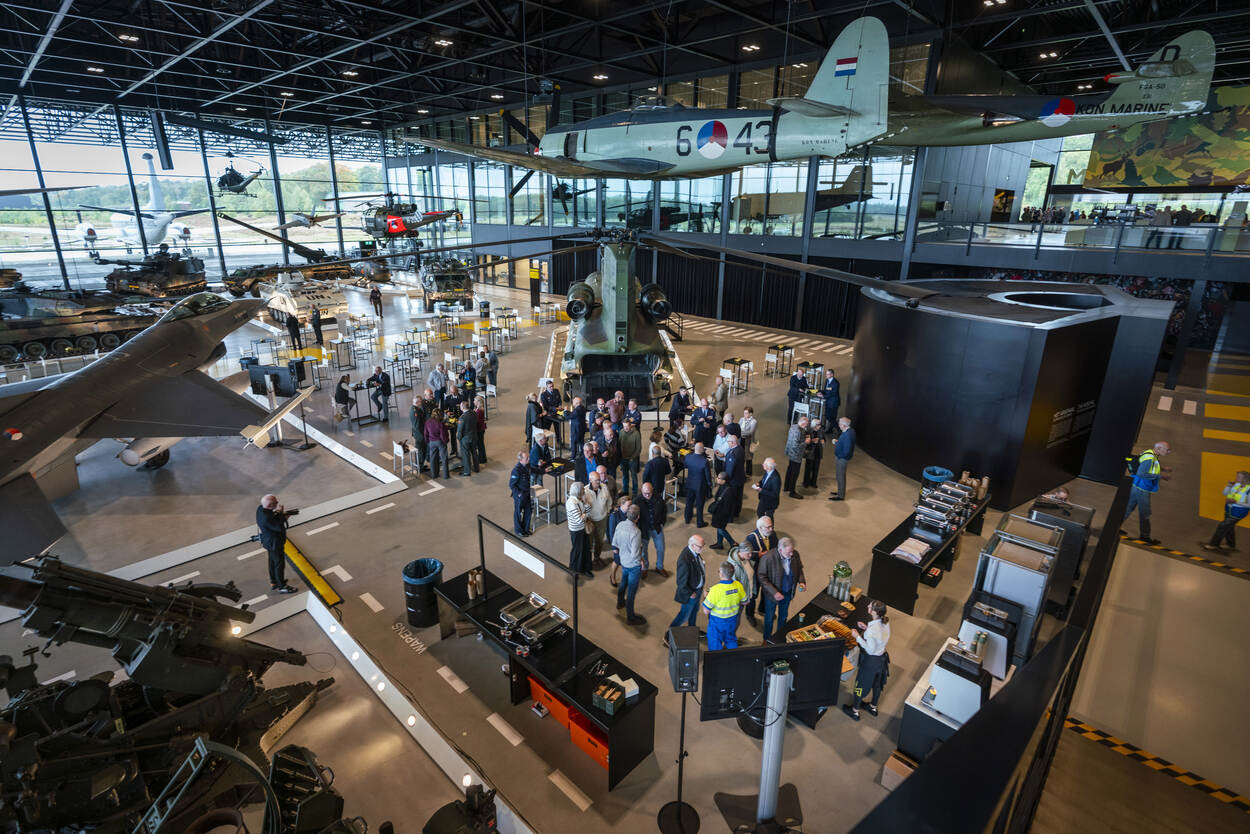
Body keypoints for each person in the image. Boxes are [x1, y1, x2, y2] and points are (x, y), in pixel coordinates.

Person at [843, 600, 891, 721]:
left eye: (870, 606)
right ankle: (873, 707)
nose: (867, 606)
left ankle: (855, 711)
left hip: (870, 661)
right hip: (882, 658)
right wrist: (866, 627)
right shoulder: (885, 622)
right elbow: (878, 637)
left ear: (874, 612)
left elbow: (869, 649)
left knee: (861, 684)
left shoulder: (871, 631)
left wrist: (857, 637)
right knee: (877, 684)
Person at [1122, 440, 1171, 544]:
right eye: (1167, 450)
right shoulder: (1150, 458)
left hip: (1136, 486)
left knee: (1128, 508)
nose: (1168, 452)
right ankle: (1145, 536)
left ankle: (1114, 527)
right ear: (1158, 448)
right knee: (1145, 513)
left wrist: (1163, 469)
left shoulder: (1150, 453)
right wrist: (1161, 476)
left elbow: (1151, 465)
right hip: (1142, 489)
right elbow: (1141, 473)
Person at [758, 537, 806, 642]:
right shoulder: (768, 558)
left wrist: (801, 581)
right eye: (789, 552)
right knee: (769, 619)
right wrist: (774, 592)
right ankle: (766, 639)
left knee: (783, 617)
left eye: (792, 551)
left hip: (788, 593)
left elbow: (799, 569)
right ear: (780, 550)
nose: (792, 554)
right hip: (772, 595)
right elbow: (761, 576)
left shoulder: (795, 554)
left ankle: (779, 637)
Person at [612, 506, 647, 626]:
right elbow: (635, 554)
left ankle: (620, 602)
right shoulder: (636, 532)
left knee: (623, 583)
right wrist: (642, 561)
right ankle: (630, 617)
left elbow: (615, 542)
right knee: (631, 591)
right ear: (638, 517)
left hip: (623, 561)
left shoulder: (620, 525)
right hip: (633, 565)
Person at [256, 494, 296, 594]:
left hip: (268, 542)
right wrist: (284, 516)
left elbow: (272, 518)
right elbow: (278, 527)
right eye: (275, 503)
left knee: (272, 562)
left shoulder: (260, 509)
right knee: (279, 564)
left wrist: (278, 512)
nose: (278, 503)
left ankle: (274, 582)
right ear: (269, 505)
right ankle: (282, 586)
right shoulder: (266, 518)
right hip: (275, 543)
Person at [703, 561, 747, 650]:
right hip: (732, 620)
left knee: (715, 643)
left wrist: (706, 596)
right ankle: (732, 659)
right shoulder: (738, 585)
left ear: (721, 574)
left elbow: (706, 610)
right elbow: (745, 602)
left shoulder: (715, 590)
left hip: (717, 623)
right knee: (730, 640)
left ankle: (716, 662)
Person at [741, 516, 776, 627]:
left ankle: (762, 609)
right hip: (755, 572)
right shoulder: (751, 538)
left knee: (766, 590)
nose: (771, 529)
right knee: (753, 594)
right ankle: (749, 614)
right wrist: (759, 554)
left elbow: (776, 547)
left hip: (767, 570)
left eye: (772, 526)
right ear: (760, 528)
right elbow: (745, 554)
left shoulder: (772, 534)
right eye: (768, 527)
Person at [669, 534, 707, 637]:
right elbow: (680, 582)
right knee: (684, 615)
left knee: (694, 611)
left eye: (703, 546)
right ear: (692, 545)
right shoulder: (684, 559)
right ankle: (668, 636)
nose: (702, 549)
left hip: (697, 589)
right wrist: (690, 593)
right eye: (700, 547)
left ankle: (692, 630)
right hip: (691, 593)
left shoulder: (695, 552)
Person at [1204, 471, 1250, 552]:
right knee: (1229, 527)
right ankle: (1230, 544)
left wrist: (1236, 502)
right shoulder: (1237, 485)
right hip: (1229, 509)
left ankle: (1214, 544)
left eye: (1239, 477)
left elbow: (1249, 505)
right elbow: (1225, 493)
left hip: (1238, 512)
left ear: (1245, 479)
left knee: (1222, 526)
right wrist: (1228, 486)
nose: (1236, 478)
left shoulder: (1249, 490)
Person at [635, 480, 669, 577]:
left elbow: (664, 511)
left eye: (649, 493)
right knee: (643, 550)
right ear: (641, 491)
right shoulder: (637, 501)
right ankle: (644, 567)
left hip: (656, 527)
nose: (647, 495)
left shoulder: (658, 498)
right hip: (643, 529)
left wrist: (662, 522)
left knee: (661, 547)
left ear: (652, 490)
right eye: (645, 493)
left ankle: (659, 567)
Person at [585, 471, 612, 567]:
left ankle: (597, 558)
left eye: (599, 480)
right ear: (590, 480)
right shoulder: (585, 492)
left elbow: (609, 500)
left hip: (602, 519)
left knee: (600, 541)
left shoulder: (604, 487)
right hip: (590, 521)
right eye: (596, 480)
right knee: (589, 542)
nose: (598, 482)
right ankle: (587, 561)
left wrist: (607, 511)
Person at [684, 441, 713, 527]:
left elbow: (686, 466)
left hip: (690, 483)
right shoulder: (704, 461)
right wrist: (709, 484)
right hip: (700, 486)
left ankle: (687, 518)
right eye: (703, 448)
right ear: (701, 450)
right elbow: (708, 476)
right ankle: (699, 522)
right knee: (700, 504)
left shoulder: (688, 457)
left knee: (689, 502)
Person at [566, 481, 591, 577]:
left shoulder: (579, 499)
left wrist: (585, 503)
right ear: (578, 492)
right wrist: (585, 514)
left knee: (586, 549)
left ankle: (586, 569)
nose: (584, 491)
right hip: (576, 531)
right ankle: (574, 571)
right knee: (577, 551)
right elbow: (579, 520)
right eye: (583, 490)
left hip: (583, 528)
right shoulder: (571, 503)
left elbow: (589, 508)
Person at [709, 472, 737, 551]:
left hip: (722, 515)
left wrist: (722, 516)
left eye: (718, 478)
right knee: (719, 528)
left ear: (724, 480)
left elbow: (727, 507)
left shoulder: (728, 491)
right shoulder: (722, 486)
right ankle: (719, 543)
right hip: (719, 513)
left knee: (721, 529)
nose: (717, 479)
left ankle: (733, 543)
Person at [830, 417, 856, 501]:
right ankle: (840, 491)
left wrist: (839, 456)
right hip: (842, 458)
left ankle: (840, 496)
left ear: (844, 425)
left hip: (842, 459)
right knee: (840, 476)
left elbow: (847, 451)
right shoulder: (850, 431)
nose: (839, 425)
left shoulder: (847, 435)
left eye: (840, 424)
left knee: (840, 476)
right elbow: (844, 444)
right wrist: (838, 442)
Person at [783, 417, 808, 499]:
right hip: (796, 455)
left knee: (790, 470)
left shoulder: (793, 426)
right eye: (806, 425)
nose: (806, 426)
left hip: (790, 452)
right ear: (803, 424)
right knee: (794, 473)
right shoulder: (798, 431)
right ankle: (792, 492)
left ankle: (786, 487)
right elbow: (796, 445)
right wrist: (805, 442)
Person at [510, 451, 534, 536]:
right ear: (521, 459)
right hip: (520, 496)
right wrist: (519, 494)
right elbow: (512, 485)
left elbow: (533, 469)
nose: (528, 459)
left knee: (528, 511)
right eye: (526, 458)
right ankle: (519, 530)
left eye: (528, 457)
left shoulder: (527, 465)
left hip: (527, 493)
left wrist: (543, 470)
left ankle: (526, 529)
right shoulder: (516, 470)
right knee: (518, 513)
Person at [424, 408, 450, 478]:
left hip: (432, 442)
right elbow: (443, 435)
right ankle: (446, 475)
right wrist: (446, 441)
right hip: (440, 442)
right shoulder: (440, 423)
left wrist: (427, 441)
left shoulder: (428, 422)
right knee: (444, 458)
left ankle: (434, 474)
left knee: (433, 459)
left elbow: (426, 433)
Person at [723, 434, 745, 517]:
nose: (728, 443)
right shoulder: (741, 449)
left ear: (732, 443)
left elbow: (729, 470)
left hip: (733, 481)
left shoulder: (732, 454)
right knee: (738, 497)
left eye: (728, 442)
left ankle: (731, 516)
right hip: (740, 478)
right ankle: (736, 513)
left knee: (732, 499)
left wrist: (726, 480)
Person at [619, 418, 642, 496]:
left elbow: (638, 448)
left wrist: (633, 457)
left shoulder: (636, 433)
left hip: (632, 459)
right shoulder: (621, 432)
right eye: (624, 426)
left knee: (634, 477)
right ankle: (625, 491)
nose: (626, 428)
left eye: (627, 426)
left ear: (630, 425)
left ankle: (635, 493)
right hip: (623, 459)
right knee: (625, 476)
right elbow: (619, 444)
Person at [456, 401, 479, 476]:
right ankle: (476, 468)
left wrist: (459, 438)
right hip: (474, 436)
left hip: (465, 439)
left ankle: (467, 471)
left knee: (466, 455)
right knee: (474, 453)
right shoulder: (474, 413)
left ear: (462, 407)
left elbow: (460, 430)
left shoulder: (462, 417)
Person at [540, 380, 564, 446]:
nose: (552, 388)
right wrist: (555, 408)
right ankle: (545, 442)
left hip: (556, 413)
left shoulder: (556, 391)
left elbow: (559, 400)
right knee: (547, 429)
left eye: (552, 386)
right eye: (550, 387)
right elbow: (546, 406)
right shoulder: (544, 395)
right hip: (548, 415)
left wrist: (559, 405)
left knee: (558, 428)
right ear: (546, 387)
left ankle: (559, 441)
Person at [409, 394, 429, 472]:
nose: (422, 403)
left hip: (417, 433)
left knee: (420, 450)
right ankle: (420, 467)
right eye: (421, 402)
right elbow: (417, 426)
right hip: (420, 434)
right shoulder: (416, 411)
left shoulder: (413, 408)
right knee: (421, 451)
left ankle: (419, 465)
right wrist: (423, 435)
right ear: (417, 402)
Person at [803, 418, 824, 488]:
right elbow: (806, 442)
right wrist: (812, 441)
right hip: (810, 452)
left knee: (816, 468)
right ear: (814, 425)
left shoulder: (820, 431)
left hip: (818, 452)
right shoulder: (809, 431)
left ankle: (813, 482)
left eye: (820, 424)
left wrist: (823, 440)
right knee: (808, 469)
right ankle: (806, 482)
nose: (820, 426)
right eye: (818, 425)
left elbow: (823, 438)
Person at [739, 406, 757, 474]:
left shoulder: (753, 421)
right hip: (741, 440)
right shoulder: (741, 419)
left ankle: (749, 473)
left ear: (751, 414)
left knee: (748, 457)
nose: (744, 415)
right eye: (744, 413)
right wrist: (741, 433)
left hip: (748, 442)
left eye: (746, 413)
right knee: (741, 456)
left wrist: (741, 433)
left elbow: (750, 432)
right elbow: (738, 428)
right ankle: (741, 471)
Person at [473, 396, 488, 465]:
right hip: (481, 428)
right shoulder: (479, 409)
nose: (473, 402)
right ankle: (483, 457)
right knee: (481, 444)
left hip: (479, 430)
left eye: (475, 401)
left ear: (478, 402)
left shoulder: (479, 411)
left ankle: (482, 459)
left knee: (480, 445)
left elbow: (477, 421)